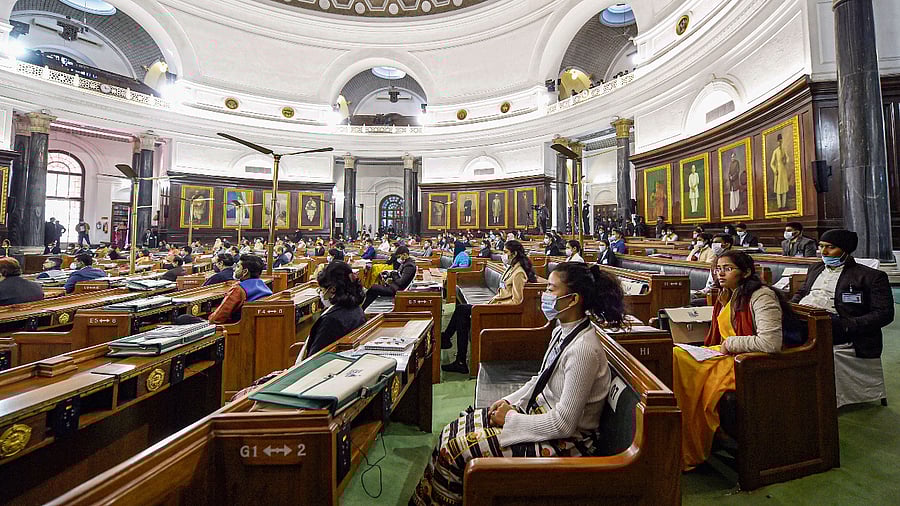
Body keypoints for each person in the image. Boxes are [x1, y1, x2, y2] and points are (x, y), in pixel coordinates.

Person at [411, 262, 625, 505]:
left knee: (456, 450)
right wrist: (508, 401)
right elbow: (539, 380)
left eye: (551, 290)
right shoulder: (561, 330)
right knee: (451, 430)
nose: (544, 296)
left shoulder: (584, 349)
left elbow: (564, 424)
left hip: (568, 443)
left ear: (573, 299)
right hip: (541, 416)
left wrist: (511, 419)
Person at [673, 250, 789, 470]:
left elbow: (771, 343)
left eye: (727, 269)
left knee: (689, 368)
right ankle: (688, 435)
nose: (720, 274)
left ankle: (704, 435)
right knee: (678, 356)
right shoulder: (727, 293)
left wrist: (730, 344)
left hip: (750, 361)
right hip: (727, 354)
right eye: (718, 269)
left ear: (745, 272)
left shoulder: (762, 296)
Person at [792, 230, 893, 359]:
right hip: (803, 316)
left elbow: (884, 313)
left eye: (831, 247)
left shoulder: (871, 276)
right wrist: (791, 307)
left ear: (846, 249)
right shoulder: (815, 268)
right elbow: (803, 292)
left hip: (835, 323)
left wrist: (847, 325)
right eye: (821, 246)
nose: (823, 252)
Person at [441, 240, 537, 374]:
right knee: (462, 313)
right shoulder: (511, 268)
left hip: (502, 311)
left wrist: (494, 306)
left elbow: (517, 301)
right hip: (495, 305)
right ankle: (456, 354)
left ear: (514, 254)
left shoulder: (519, 273)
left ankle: (452, 348)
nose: (503, 255)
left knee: (462, 312)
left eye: (505, 252)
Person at [297, 262, 367, 360]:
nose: (321, 293)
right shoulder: (356, 309)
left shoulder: (331, 320)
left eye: (321, 290)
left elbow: (314, 359)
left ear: (332, 290)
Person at [207, 255, 273, 324]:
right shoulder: (263, 285)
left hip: (237, 329)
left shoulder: (238, 289)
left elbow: (216, 318)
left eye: (238, 267)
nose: (234, 269)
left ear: (245, 272)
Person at [693, 233, 734, 304]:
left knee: (694, 302)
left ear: (727, 245)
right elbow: (710, 285)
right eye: (713, 242)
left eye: (717, 242)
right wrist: (703, 292)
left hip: (726, 296)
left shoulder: (733, 261)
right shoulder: (715, 262)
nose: (713, 245)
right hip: (712, 293)